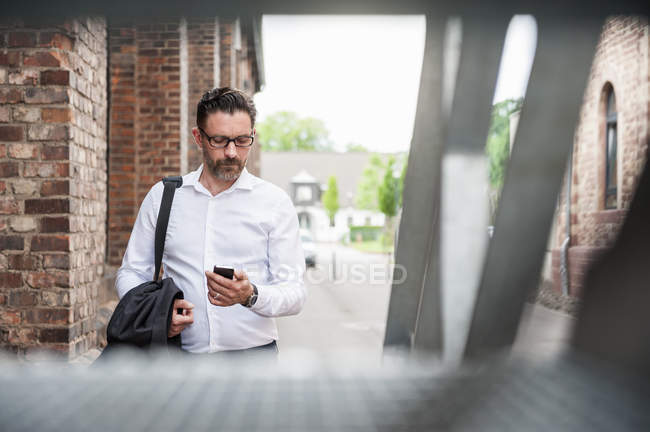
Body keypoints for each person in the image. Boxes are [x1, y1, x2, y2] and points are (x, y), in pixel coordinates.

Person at [115, 87, 307, 354]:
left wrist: (250, 295)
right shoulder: (164, 197)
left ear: (253, 135)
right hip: (178, 360)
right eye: (219, 140)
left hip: (254, 361)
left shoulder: (274, 202)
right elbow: (132, 272)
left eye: (242, 140)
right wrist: (156, 314)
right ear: (198, 137)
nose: (231, 152)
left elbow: (294, 292)